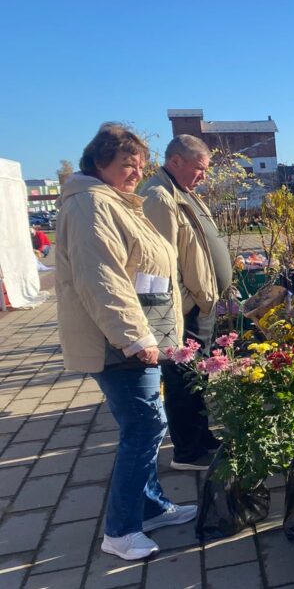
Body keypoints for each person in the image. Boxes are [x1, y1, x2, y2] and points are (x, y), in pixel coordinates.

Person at [56, 123, 195, 561]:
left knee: (146, 425)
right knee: (144, 427)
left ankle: (150, 507)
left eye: (139, 164)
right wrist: (135, 339)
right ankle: (120, 531)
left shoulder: (113, 201)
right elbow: (102, 281)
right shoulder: (90, 206)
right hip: (118, 346)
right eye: (126, 164)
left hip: (135, 337)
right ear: (100, 164)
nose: (135, 172)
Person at [140, 134, 230, 471]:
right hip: (185, 310)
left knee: (198, 377)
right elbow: (158, 263)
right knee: (181, 378)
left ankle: (201, 436)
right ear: (175, 160)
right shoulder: (158, 197)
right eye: (198, 168)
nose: (203, 175)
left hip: (200, 305)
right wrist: (186, 304)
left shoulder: (182, 192)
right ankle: (188, 451)